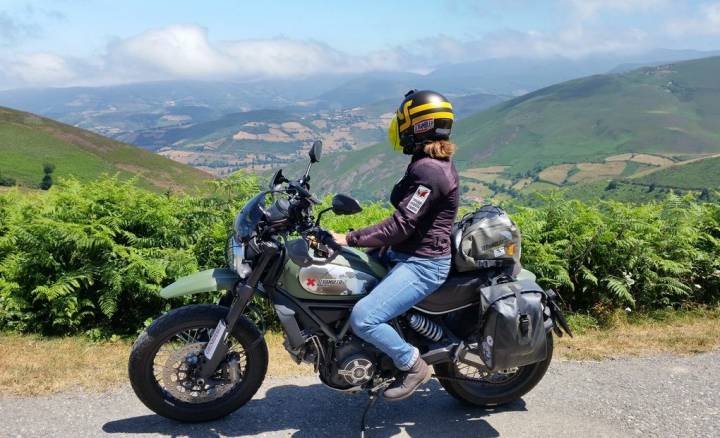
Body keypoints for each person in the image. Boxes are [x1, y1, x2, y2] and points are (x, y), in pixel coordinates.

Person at [331, 89, 459, 401]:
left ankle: (412, 364)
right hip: (407, 253)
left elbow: (402, 224)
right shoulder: (428, 161)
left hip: (423, 263)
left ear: (421, 125)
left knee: (364, 317)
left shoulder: (429, 170)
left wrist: (350, 238)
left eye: (403, 121)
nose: (398, 127)